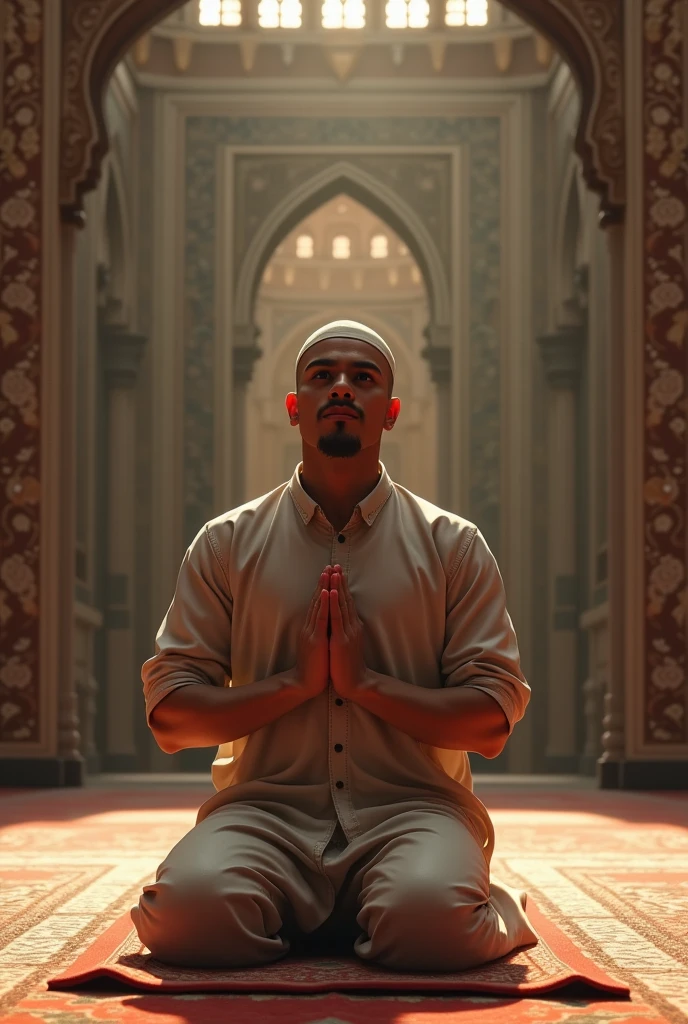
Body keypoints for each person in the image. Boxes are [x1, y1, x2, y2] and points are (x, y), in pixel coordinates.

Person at [130, 319, 539, 971]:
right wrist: (293, 684)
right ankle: (340, 906)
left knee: (432, 925)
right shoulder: (226, 545)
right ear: (295, 408)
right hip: (263, 814)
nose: (342, 388)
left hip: (415, 812)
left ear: (391, 411)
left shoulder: (453, 547)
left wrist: (367, 686)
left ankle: (473, 901)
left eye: (363, 378)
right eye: (322, 376)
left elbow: (491, 722)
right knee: (182, 918)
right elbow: (173, 720)